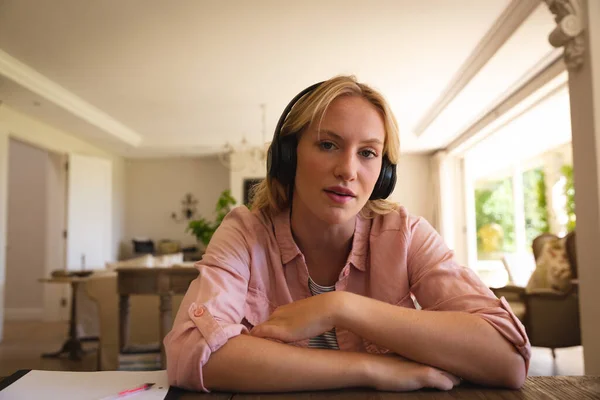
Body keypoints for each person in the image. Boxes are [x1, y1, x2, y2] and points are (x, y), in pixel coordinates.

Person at [164, 75, 530, 393]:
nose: (348, 170)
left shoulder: (407, 234)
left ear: (383, 173)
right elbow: (190, 352)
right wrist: (372, 369)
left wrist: (341, 307)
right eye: (328, 145)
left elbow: (507, 359)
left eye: (368, 153)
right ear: (288, 157)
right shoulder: (244, 232)